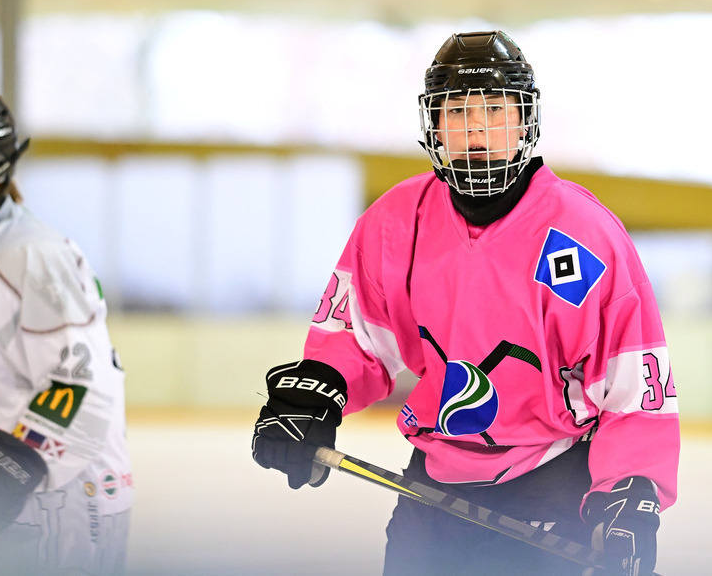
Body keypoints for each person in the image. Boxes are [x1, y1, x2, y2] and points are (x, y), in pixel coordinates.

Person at [253, 31, 679, 575]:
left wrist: (630, 492)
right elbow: (356, 338)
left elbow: (633, 386)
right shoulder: (395, 223)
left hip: (550, 491)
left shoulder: (584, 236)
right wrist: (313, 398)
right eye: (458, 112)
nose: (477, 131)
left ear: (526, 122)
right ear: (434, 125)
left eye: (496, 110)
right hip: (431, 491)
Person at [0, 92, 132, 574]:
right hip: (6, 496)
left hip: (60, 499)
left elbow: (83, 383)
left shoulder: (34, 256)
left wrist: (10, 467)